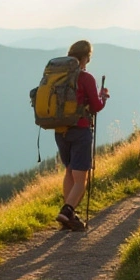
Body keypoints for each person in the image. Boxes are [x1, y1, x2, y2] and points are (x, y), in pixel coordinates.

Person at [54, 40, 109, 231]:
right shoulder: (85, 78)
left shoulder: (57, 76)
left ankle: (70, 214)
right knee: (81, 177)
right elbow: (96, 107)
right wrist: (102, 96)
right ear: (85, 57)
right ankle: (67, 211)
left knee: (69, 170)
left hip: (60, 130)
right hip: (80, 129)